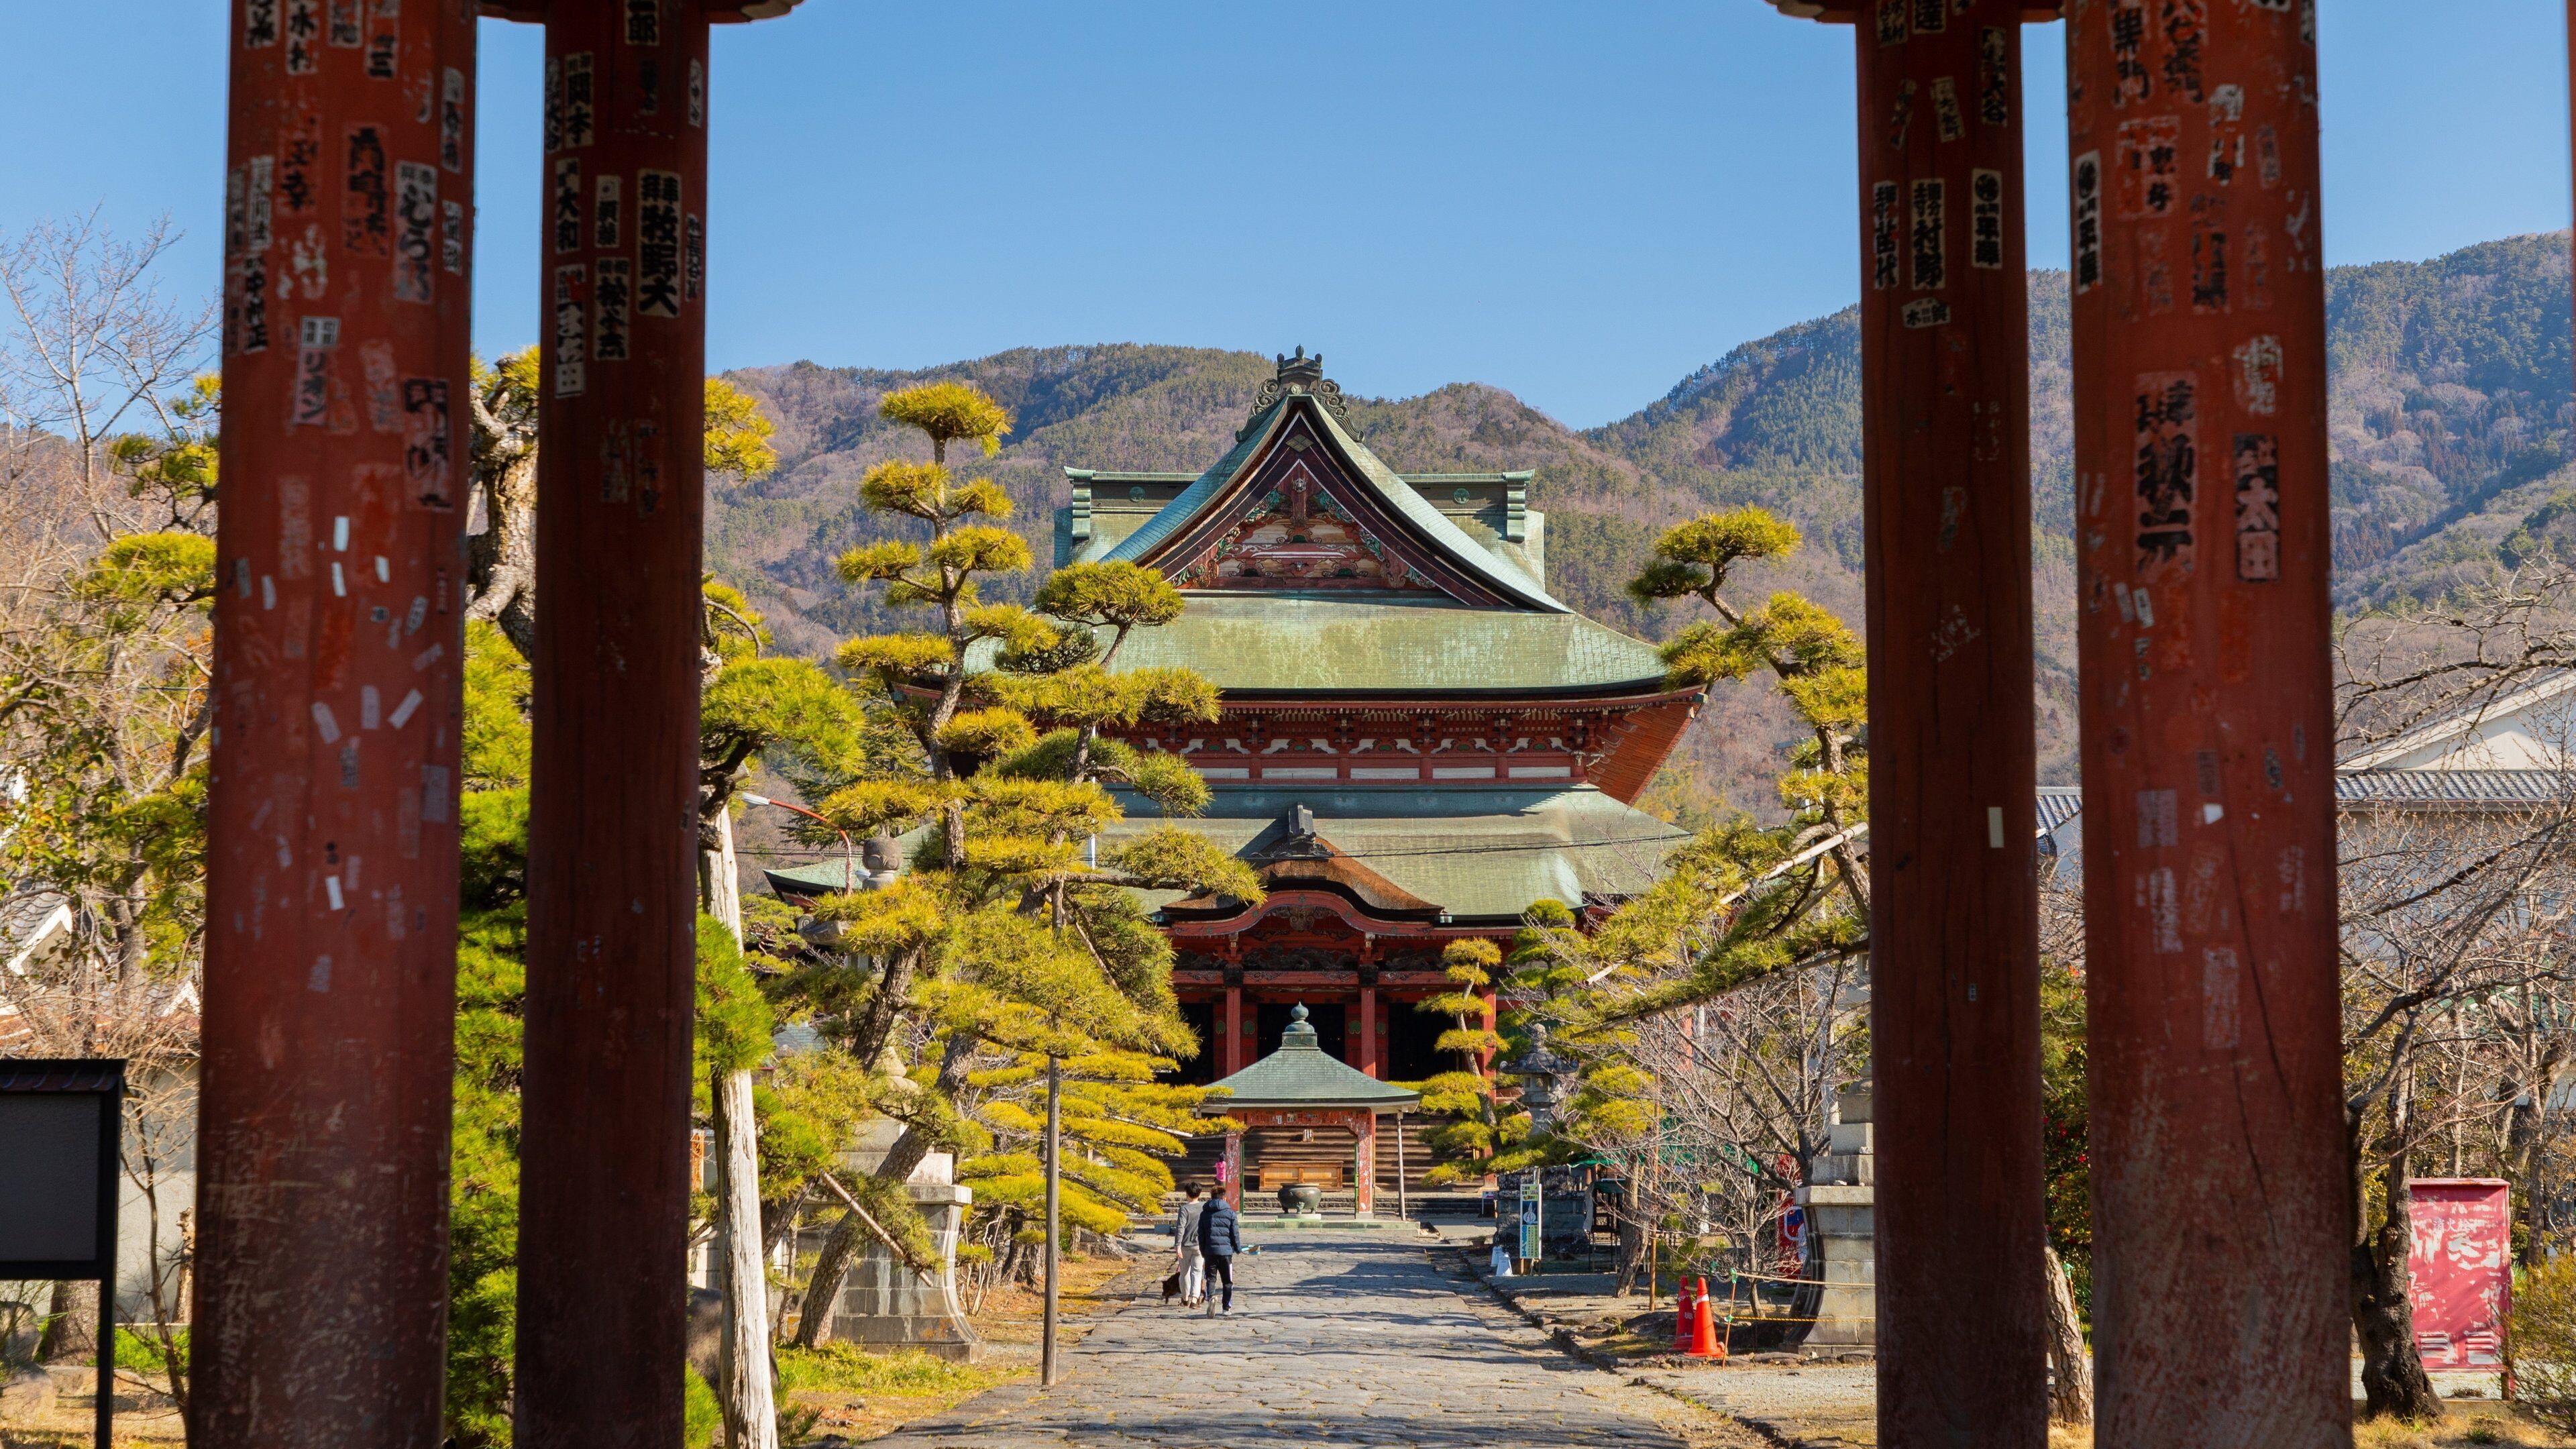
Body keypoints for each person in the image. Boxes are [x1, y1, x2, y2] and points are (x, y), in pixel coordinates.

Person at [1197, 1187, 1242, 1316]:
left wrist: (1203, 1250)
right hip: (1226, 1252)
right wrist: (1237, 1248)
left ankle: (1211, 1297)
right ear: (1224, 1198)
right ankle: (1226, 1308)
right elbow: (1235, 1234)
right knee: (1227, 1281)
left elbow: (1201, 1235)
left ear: (1212, 1197)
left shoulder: (1205, 1213)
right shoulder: (1230, 1213)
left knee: (1210, 1278)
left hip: (1210, 1251)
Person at [1173, 1186, 1208, 1307]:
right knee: (1197, 1273)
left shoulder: (1184, 1209)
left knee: (1184, 1272)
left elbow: (1180, 1228)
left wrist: (1177, 1245)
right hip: (1199, 1245)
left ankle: (1185, 1297)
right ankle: (1194, 1299)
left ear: (1187, 1194)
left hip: (1185, 1245)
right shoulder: (1204, 1207)